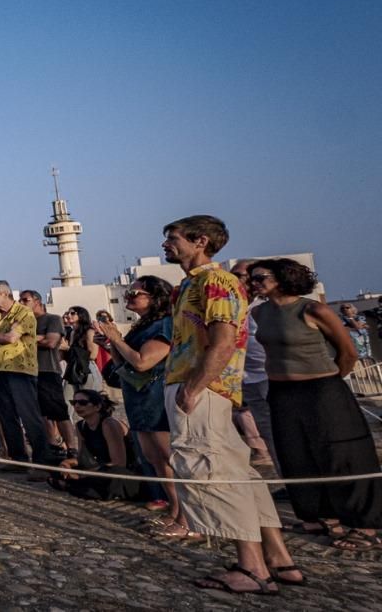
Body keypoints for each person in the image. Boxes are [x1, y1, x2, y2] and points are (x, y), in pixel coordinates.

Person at [160, 215, 301, 595]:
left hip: (203, 389)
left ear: (200, 241)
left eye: (173, 238)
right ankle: (277, 558)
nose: (166, 245)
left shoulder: (216, 281)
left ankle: (252, 568)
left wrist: (193, 388)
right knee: (240, 474)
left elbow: (223, 341)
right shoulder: (191, 284)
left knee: (213, 470)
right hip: (200, 387)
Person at [251, 257, 382, 550]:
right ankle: (320, 516)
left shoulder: (312, 309)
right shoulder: (259, 312)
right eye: (253, 279)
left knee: (341, 455)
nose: (255, 284)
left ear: (283, 277)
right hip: (282, 391)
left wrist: (328, 382)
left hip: (321, 389)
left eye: (260, 278)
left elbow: (347, 352)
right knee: (296, 454)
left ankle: (364, 524)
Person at [98, 275, 184, 530]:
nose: (128, 298)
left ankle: (186, 514)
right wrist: (112, 343)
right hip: (137, 397)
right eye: (128, 294)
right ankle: (174, 508)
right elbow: (124, 364)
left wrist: (116, 339)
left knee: (168, 457)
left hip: (156, 395)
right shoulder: (141, 326)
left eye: (135, 294)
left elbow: (143, 362)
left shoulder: (164, 324)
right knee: (154, 458)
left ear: (155, 298)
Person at [0, 280, 50, 474]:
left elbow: (10, 338)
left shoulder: (24, 313)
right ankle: (18, 459)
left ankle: (42, 462)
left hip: (20, 370)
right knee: (7, 417)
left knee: (29, 416)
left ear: (5, 294)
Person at [50, 389, 141, 501]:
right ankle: (75, 484)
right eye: (74, 402)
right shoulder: (81, 426)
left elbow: (119, 463)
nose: (77, 406)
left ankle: (74, 485)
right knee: (54, 465)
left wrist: (81, 474)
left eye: (82, 402)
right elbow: (83, 458)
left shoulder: (109, 424)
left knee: (112, 476)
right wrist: (66, 463)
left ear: (97, 407)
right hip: (101, 466)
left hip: (123, 471)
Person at [230, 260, 277, 470]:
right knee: (268, 433)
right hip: (247, 379)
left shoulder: (268, 307)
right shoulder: (231, 305)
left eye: (240, 275)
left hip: (273, 377)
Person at [22, 289, 75, 456]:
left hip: (47, 369)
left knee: (58, 411)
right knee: (40, 413)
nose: (22, 304)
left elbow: (52, 342)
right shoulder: (24, 322)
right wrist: (38, 338)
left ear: (36, 301)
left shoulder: (53, 319)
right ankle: (51, 445)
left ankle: (72, 447)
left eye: (26, 300)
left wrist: (26, 339)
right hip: (28, 372)